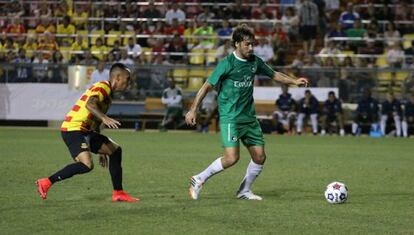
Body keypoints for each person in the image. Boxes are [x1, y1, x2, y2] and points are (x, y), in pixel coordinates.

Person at [185, 25, 308, 200]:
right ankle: (199, 179)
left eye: (252, 44)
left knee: (260, 156)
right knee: (231, 158)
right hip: (231, 118)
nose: (251, 48)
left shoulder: (255, 61)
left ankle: (244, 191)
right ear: (236, 44)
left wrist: (295, 81)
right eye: (247, 44)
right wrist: (193, 109)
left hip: (249, 118)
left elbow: (274, 74)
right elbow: (206, 87)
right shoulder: (226, 64)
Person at [36, 63, 139, 203]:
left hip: (86, 131)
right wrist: (105, 117)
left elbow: (95, 121)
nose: (129, 82)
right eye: (127, 78)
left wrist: (102, 151)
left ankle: (119, 193)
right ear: (118, 77)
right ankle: (46, 182)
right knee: (87, 165)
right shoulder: (103, 87)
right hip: (73, 129)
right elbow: (90, 105)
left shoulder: (108, 97)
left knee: (115, 151)